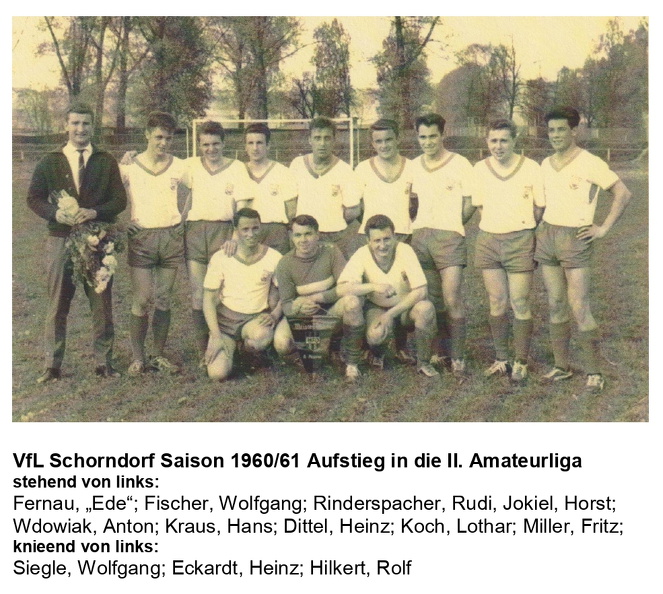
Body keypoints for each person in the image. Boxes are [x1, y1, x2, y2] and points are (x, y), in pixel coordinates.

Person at [27, 101, 127, 382]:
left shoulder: (105, 160)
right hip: (60, 239)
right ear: (66, 125)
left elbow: (120, 199)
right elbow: (33, 198)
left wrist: (96, 212)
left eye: (85, 123)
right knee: (58, 302)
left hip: (97, 240)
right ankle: (52, 364)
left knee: (101, 302)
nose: (80, 129)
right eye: (75, 123)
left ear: (93, 126)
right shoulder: (51, 160)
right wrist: (55, 213)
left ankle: (103, 362)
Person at [535, 106, 632, 394]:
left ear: (574, 131)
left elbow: (623, 193)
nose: (555, 135)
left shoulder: (589, 162)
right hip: (548, 235)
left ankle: (594, 371)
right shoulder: (544, 164)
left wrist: (603, 228)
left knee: (579, 305)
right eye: (551, 130)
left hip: (576, 237)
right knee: (555, 304)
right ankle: (561, 366)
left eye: (561, 129)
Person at [472, 119, 544, 383]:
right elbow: (479, 206)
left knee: (520, 302)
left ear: (515, 140)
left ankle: (521, 360)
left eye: (504, 140)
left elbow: (539, 208)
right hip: (489, 240)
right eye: (493, 140)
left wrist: (520, 226)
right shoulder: (479, 169)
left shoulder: (532, 168)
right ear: (487, 142)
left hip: (520, 240)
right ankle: (502, 358)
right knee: (496, 301)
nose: (498, 146)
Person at [121, 112, 187, 376]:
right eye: (158, 137)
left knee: (164, 298)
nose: (163, 143)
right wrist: (122, 221)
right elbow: (109, 193)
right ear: (147, 135)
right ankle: (138, 358)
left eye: (168, 138)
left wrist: (186, 215)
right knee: (142, 298)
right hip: (142, 238)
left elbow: (203, 187)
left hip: (170, 238)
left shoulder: (181, 165)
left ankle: (158, 354)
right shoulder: (128, 166)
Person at [410, 113, 476, 379]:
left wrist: (453, 223)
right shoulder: (413, 166)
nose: (428, 142)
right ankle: (439, 350)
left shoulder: (460, 164)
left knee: (452, 298)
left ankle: (458, 355)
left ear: (442, 135)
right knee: (432, 299)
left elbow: (470, 202)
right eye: (423, 137)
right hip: (421, 237)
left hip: (450, 237)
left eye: (432, 136)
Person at [337, 214, 439, 378]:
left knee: (425, 308)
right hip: (377, 306)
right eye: (377, 241)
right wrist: (373, 287)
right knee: (376, 336)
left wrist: (390, 314)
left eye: (387, 239)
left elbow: (421, 291)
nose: (382, 245)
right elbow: (342, 289)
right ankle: (377, 352)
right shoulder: (362, 253)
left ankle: (424, 362)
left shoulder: (405, 250)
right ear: (368, 241)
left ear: (395, 237)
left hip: (404, 308)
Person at [184, 121, 253, 361]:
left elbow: (243, 206)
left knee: (225, 291)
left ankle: (230, 341)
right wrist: (130, 158)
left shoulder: (237, 168)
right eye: (205, 145)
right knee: (198, 292)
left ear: (223, 143)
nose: (210, 149)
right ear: (199, 145)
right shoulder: (190, 166)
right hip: (195, 232)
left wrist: (235, 236)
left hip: (224, 232)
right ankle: (203, 348)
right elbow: (164, 169)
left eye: (215, 144)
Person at [274, 215, 365, 381]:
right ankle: (309, 352)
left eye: (308, 234)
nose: (303, 240)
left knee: (352, 302)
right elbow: (286, 305)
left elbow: (345, 287)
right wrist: (297, 306)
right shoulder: (285, 264)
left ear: (317, 234)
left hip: (330, 311)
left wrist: (319, 298)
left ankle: (352, 363)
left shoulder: (331, 251)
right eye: (298, 235)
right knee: (281, 344)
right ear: (291, 237)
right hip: (304, 318)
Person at [203, 208, 286, 381]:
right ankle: (229, 348)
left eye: (255, 228)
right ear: (236, 230)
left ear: (261, 228)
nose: (251, 234)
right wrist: (216, 336)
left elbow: (286, 293)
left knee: (260, 337)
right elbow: (209, 300)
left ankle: (246, 353)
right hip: (225, 322)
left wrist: (275, 314)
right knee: (217, 374)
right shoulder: (221, 257)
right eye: (245, 229)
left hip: (254, 320)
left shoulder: (273, 257)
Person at [289, 117, 362, 259]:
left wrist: (332, 220)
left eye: (327, 138)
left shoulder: (345, 170)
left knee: (337, 278)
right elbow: (291, 203)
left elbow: (353, 211)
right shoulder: (297, 164)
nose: (322, 143)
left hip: (334, 236)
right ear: (309, 140)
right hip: (304, 236)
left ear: (334, 140)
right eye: (317, 138)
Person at [354, 119, 416, 240]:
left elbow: (417, 205)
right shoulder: (362, 168)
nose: (384, 146)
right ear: (373, 144)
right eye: (378, 141)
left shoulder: (412, 167)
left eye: (388, 140)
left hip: (403, 235)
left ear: (398, 139)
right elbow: (357, 207)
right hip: (371, 237)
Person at [240, 123, 297, 254]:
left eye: (259, 142)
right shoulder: (238, 171)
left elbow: (291, 211)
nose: (255, 148)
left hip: (275, 232)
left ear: (268, 145)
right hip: (248, 231)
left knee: (277, 272)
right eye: (251, 143)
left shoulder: (283, 172)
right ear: (245, 147)